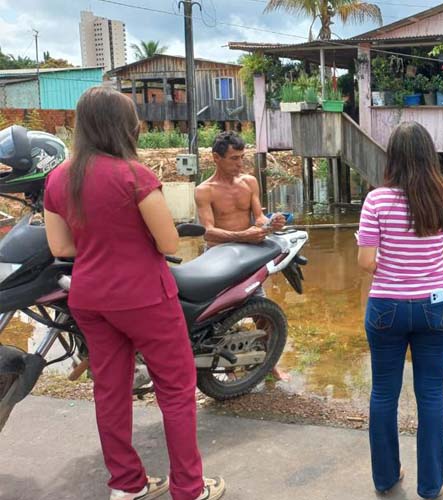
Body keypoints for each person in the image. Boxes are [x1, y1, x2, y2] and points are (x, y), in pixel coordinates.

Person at [43, 86, 225, 500]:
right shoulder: (134, 175)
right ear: (125, 127)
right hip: (144, 297)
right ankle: (189, 489)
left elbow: (61, 248)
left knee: (109, 391)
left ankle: (127, 485)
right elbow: (169, 243)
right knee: (176, 391)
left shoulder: (58, 179)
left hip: (89, 298)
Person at [357, 121, 443, 499]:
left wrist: (383, 259)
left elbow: (365, 262)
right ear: (429, 155)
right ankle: (431, 484)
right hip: (435, 307)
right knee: (431, 396)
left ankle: (386, 478)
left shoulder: (376, 200)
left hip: (386, 308)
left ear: (393, 157)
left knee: (384, 395)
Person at [195, 131, 288, 381]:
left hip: (247, 255)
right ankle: (220, 364)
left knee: (260, 307)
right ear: (216, 158)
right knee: (217, 313)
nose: (240, 164)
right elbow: (208, 232)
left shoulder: (249, 182)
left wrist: (270, 222)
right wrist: (243, 235)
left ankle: (270, 364)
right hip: (218, 258)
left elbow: (258, 217)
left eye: (242, 157)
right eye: (234, 158)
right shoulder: (204, 191)